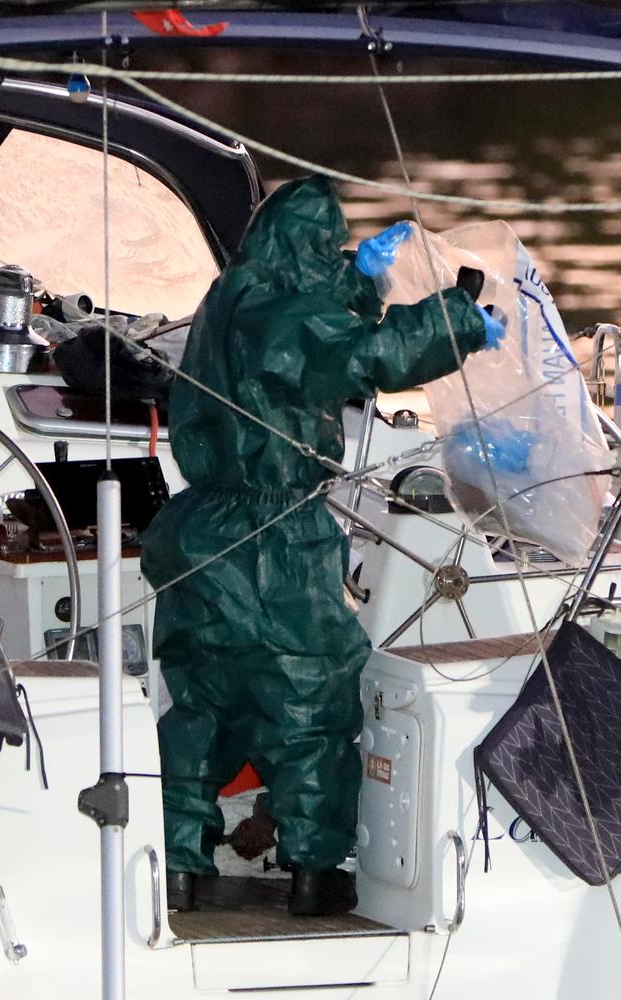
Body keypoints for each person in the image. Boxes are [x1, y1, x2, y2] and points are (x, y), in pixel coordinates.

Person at [141, 175, 503, 917]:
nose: (335, 253)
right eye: (329, 243)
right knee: (310, 699)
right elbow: (362, 356)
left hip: (204, 532)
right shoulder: (281, 315)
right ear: (305, 246)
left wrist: (357, 281)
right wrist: (459, 320)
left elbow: (307, 328)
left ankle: (177, 864)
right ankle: (312, 871)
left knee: (204, 703)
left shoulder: (232, 298)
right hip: (276, 538)